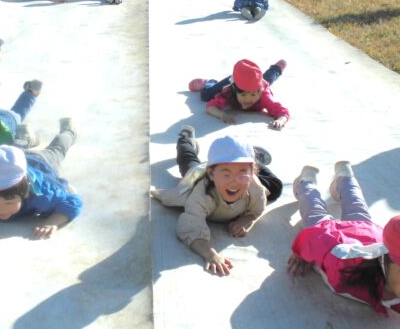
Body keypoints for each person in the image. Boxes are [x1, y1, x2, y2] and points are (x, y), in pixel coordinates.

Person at [288, 163, 400, 316]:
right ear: (386, 261)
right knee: (313, 209)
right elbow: (317, 237)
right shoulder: (344, 265)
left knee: (356, 203)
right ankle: (306, 181)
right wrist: (301, 251)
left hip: (370, 234)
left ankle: (345, 176)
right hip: (335, 237)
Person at [152, 134, 271, 276]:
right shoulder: (202, 195)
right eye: (226, 175)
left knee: (275, 188)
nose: (234, 182)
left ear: (252, 173)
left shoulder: (255, 188)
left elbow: (257, 209)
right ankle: (185, 140)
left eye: (243, 173)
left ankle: (249, 161)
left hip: (226, 168)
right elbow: (190, 229)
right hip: (196, 176)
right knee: (189, 162)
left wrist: (246, 219)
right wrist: (210, 254)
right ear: (212, 174)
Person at [189, 59, 290, 130]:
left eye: (252, 95)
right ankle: (210, 82)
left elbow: (282, 111)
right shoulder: (229, 91)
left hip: (257, 81)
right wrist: (222, 115)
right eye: (243, 95)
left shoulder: (264, 95)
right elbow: (210, 106)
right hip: (236, 79)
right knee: (205, 95)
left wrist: (281, 121)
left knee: (268, 79)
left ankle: (277, 68)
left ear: (259, 91)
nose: (248, 99)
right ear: (234, 90)